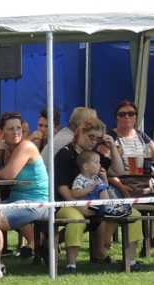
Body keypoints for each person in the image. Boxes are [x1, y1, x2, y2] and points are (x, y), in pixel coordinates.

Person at [52, 116, 139, 272]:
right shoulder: (65, 154)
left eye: (97, 139)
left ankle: (131, 260)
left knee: (134, 213)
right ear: (79, 133)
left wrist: (112, 147)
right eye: (90, 137)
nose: (93, 142)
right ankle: (71, 264)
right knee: (76, 219)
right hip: (67, 202)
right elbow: (62, 188)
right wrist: (79, 206)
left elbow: (119, 171)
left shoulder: (94, 156)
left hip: (97, 203)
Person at [0, 113, 50, 272]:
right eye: (11, 129)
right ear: (2, 133)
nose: (16, 131)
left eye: (19, 128)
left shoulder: (26, 146)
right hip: (14, 200)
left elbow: (7, 175)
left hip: (36, 202)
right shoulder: (4, 149)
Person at [110, 98, 154, 248]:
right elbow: (104, 168)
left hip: (144, 182)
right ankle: (146, 241)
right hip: (123, 185)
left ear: (136, 117)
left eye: (131, 114)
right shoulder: (111, 137)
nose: (127, 117)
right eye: (122, 114)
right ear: (116, 117)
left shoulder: (141, 135)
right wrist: (119, 185)